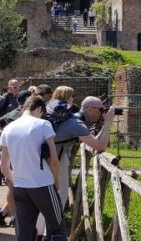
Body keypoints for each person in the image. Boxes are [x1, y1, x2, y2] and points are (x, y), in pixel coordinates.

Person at [36, 92, 114, 236]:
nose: (103, 112)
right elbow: (100, 146)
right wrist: (108, 124)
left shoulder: (71, 120)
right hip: (52, 163)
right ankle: (46, 234)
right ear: (90, 109)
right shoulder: (76, 124)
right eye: (101, 109)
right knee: (58, 197)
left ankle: (41, 233)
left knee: (48, 198)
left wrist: (103, 126)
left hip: (43, 160)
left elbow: (92, 141)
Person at [0, 96, 63, 241]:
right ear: (40, 109)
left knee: (24, 230)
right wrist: (57, 182)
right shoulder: (43, 124)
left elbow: (4, 168)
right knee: (56, 227)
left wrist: (20, 180)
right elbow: (54, 160)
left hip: (20, 187)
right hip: (43, 184)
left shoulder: (8, 128)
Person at [0, 89, 33, 227]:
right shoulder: (17, 114)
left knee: (17, 187)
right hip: (12, 155)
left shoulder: (15, 113)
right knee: (13, 187)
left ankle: (3, 213)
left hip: (16, 154)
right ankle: (15, 217)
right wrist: (5, 135)